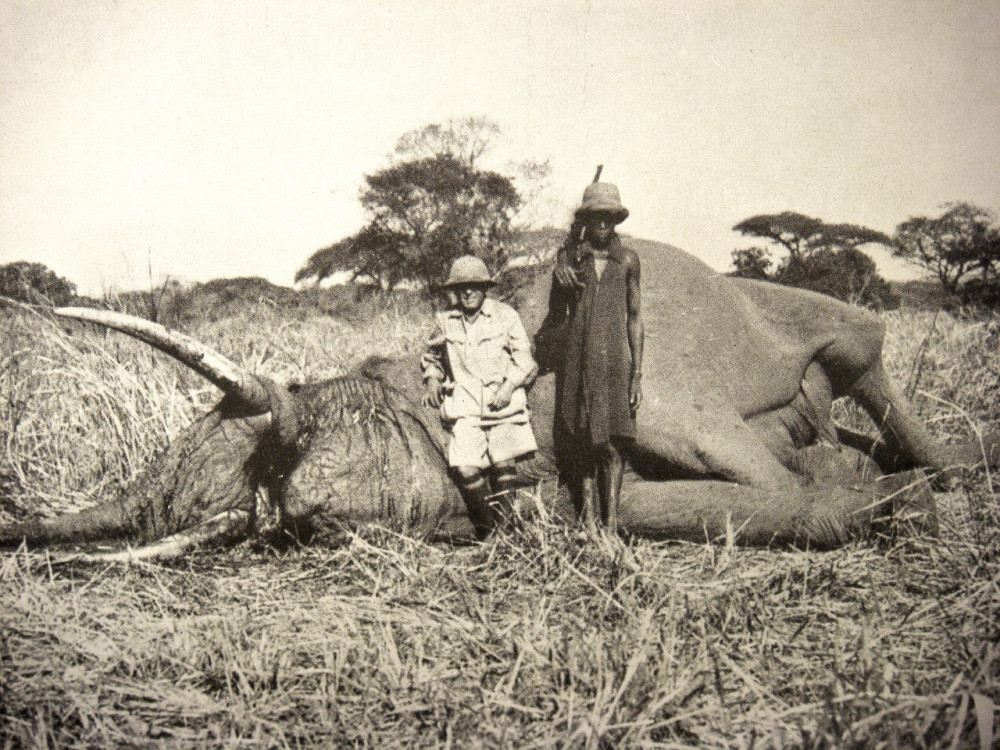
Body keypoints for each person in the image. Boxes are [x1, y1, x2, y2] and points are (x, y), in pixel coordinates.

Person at [543, 181, 644, 538]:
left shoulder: (628, 259)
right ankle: (587, 522)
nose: (603, 223)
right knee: (584, 440)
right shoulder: (571, 258)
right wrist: (559, 273)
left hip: (615, 360)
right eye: (595, 216)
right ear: (586, 219)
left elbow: (635, 316)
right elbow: (556, 313)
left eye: (609, 216)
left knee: (615, 441)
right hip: (579, 358)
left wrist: (637, 374)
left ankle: (611, 524)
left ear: (616, 220)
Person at [421, 255, 539, 539]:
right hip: (465, 404)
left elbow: (525, 358)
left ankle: (510, 533)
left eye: (475, 286)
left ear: (485, 288)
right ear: (455, 291)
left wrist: (509, 387)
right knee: (465, 467)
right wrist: (433, 378)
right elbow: (432, 356)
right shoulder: (445, 321)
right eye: (462, 287)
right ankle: (490, 532)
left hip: (502, 402)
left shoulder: (505, 315)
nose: (469, 292)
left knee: (503, 461)